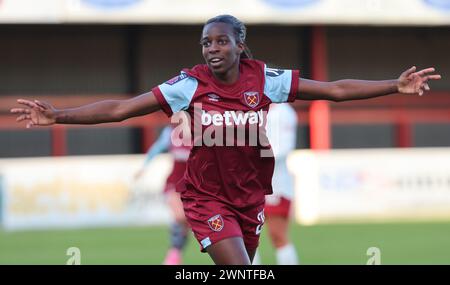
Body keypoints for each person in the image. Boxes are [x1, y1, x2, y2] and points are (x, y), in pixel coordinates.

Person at [10, 14, 441, 265]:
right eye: (205, 43)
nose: (211, 49)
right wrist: (58, 115)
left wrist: (393, 85)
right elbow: (123, 109)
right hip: (205, 198)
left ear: (239, 46)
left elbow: (332, 90)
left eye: (221, 41)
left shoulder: (265, 80)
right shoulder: (188, 85)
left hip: (248, 199)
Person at [134, 115, 191, 265]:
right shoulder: (171, 132)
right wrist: (144, 166)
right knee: (180, 217)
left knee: (186, 221)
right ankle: (175, 253)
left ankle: (174, 254)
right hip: (174, 183)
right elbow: (157, 148)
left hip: (195, 186)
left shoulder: (202, 133)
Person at [258, 103, 299, 265]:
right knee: (245, 236)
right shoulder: (256, 107)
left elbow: (283, 148)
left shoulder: (284, 112)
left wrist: (253, 158)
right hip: (251, 183)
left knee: (277, 234)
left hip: (276, 183)